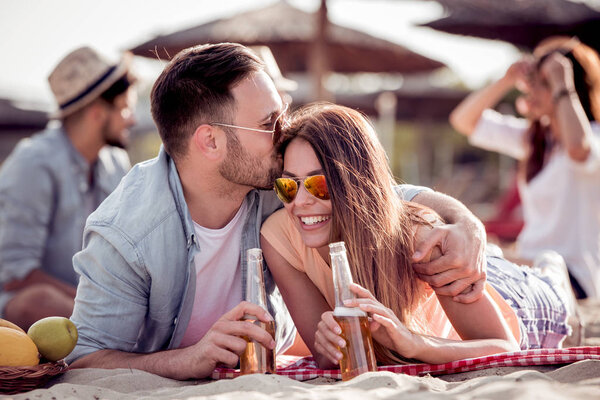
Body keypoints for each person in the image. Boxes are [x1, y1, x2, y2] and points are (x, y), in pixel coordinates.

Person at [67, 43, 488, 380]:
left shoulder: (278, 181)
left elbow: (374, 190)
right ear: (210, 142)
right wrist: (186, 360)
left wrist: (464, 221)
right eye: (269, 122)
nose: (284, 131)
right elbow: (83, 360)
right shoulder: (124, 235)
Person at [261, 103, 572, 368]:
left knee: (555, 293)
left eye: (319, 185)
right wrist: (328, 343)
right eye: (288, 186)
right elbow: (330, 358)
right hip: (465, 292)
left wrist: (412, 343)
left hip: (519, 307)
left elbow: (504, 346)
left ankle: (552, 269)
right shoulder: (279, 238)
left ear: (354, 184)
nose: (300, 201)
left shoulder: (420, 238)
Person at [449, 36, 600, 300]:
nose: (530, 90)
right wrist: (506, 80)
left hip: (572, 278)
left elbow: (579, 148)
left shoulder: (592, 137)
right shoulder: (535, 141)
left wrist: (562, 83)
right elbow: (463, 121)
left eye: (543, 83)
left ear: (567, 87)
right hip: (533, 269)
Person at [0, 46, 136, 330]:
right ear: (98, 112)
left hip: (90, 304)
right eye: (124, 108)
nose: (132, 119)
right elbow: (15, 273)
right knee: (41, 301)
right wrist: (95, 304)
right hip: (27, 308)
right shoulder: (33, 163)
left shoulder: (116, 163)